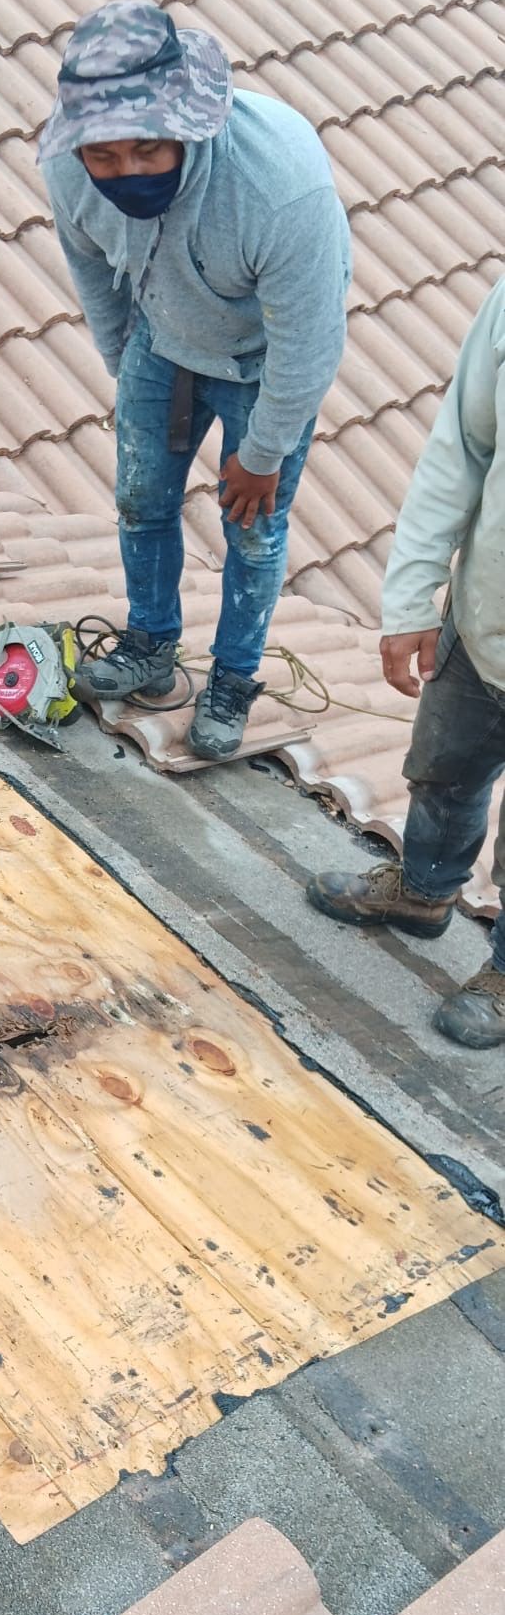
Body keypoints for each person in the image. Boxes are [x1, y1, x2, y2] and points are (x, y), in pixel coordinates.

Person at [39, 0, 351, 759]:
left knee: (252, 529)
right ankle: (150, 643)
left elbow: (309, 343)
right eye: (104, 156)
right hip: (162, 340)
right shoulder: (65, 170)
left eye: (148, 150)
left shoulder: (278, 189)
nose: (124, 172)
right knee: (141, 497)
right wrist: (129, 376)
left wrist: (265, 451)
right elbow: (98, 282)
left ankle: (235, 675)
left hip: (259, 366)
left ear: (186, 127)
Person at [307, 279, 505, 1049]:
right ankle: (423, 893)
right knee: (443, 770)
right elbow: (463, 446)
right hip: (488, 617)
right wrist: (414, 596)